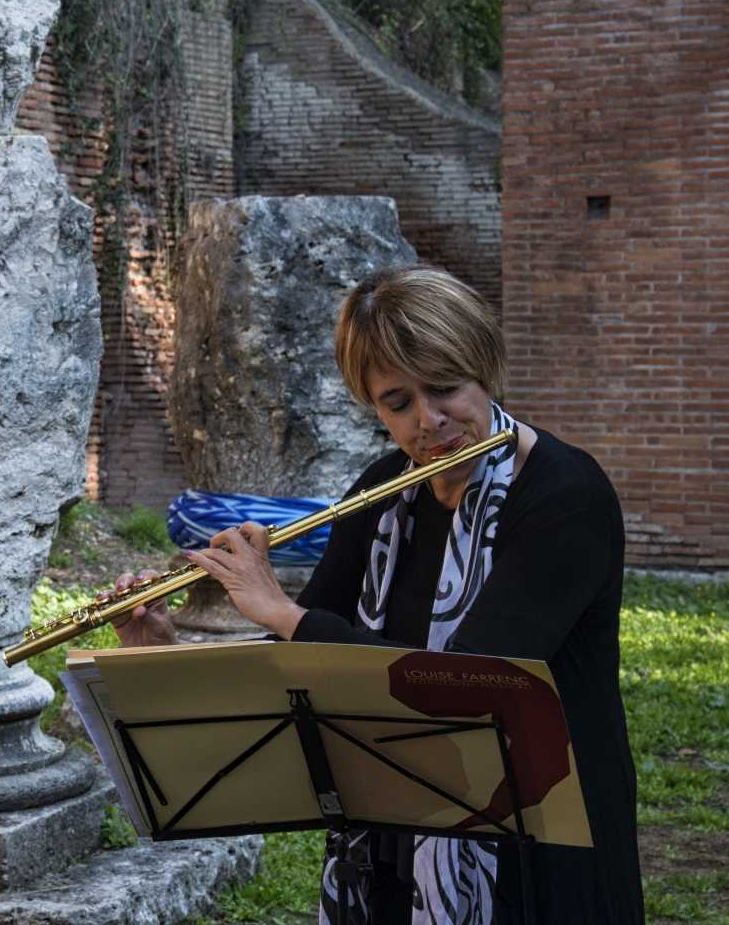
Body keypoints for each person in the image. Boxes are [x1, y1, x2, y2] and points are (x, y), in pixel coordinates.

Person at [116, 264, 643, 925]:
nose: (430, 421)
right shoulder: (385, 489)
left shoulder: (567, 498)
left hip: (541, 843)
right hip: (397, 835)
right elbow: (300, 668)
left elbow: (469, 683)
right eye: (398, 402)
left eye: (446, 387)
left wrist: (285, 609)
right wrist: (162, 650)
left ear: (485, 367)